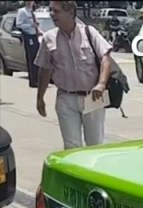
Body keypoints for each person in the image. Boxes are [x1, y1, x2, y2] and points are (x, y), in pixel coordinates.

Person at [34, 1, 113, 150]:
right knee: (72, 146)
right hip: (66, 98)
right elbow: (45, 70)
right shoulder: (49, 38)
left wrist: (101, 84)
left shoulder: (89, 33)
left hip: (92, 97)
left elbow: (105, 58)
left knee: (95, 145)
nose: (52, 14)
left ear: (70, 12)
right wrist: (40, 98)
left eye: (56, 11)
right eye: (51, 11)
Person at [16, 1, 41, 88]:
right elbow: (19, 24)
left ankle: (38, 79)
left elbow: (35, 24)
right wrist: (30, 25)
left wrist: (39, 30)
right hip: (28, 35)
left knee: (37, 58)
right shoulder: (22, 11)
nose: (30, 2)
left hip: (35, 35)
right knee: (31, 58)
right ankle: (33, 81)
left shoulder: (32, 11)